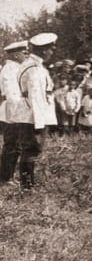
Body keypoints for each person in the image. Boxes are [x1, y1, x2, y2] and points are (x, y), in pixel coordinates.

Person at [3, 33, 58, 188]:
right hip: (33, 116)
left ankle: (27, 184)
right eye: (50, 49)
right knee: (32, 150)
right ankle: (27, 187)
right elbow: (36, 97)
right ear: (43, 50)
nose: (52, 52)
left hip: (30, 114)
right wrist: (39, 124)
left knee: (29, 150)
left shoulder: (32, 65)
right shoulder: (34, 69)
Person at [1, 41, 29, 163]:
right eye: (25, 53)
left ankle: (8, 176)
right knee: (11, 145)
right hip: (13, 112)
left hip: (18, 111)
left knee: (16, 145)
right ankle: (6, 178)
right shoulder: (10, 69)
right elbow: (12, 95)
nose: (27, 56)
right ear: (16, 55)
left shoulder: (17, 68)